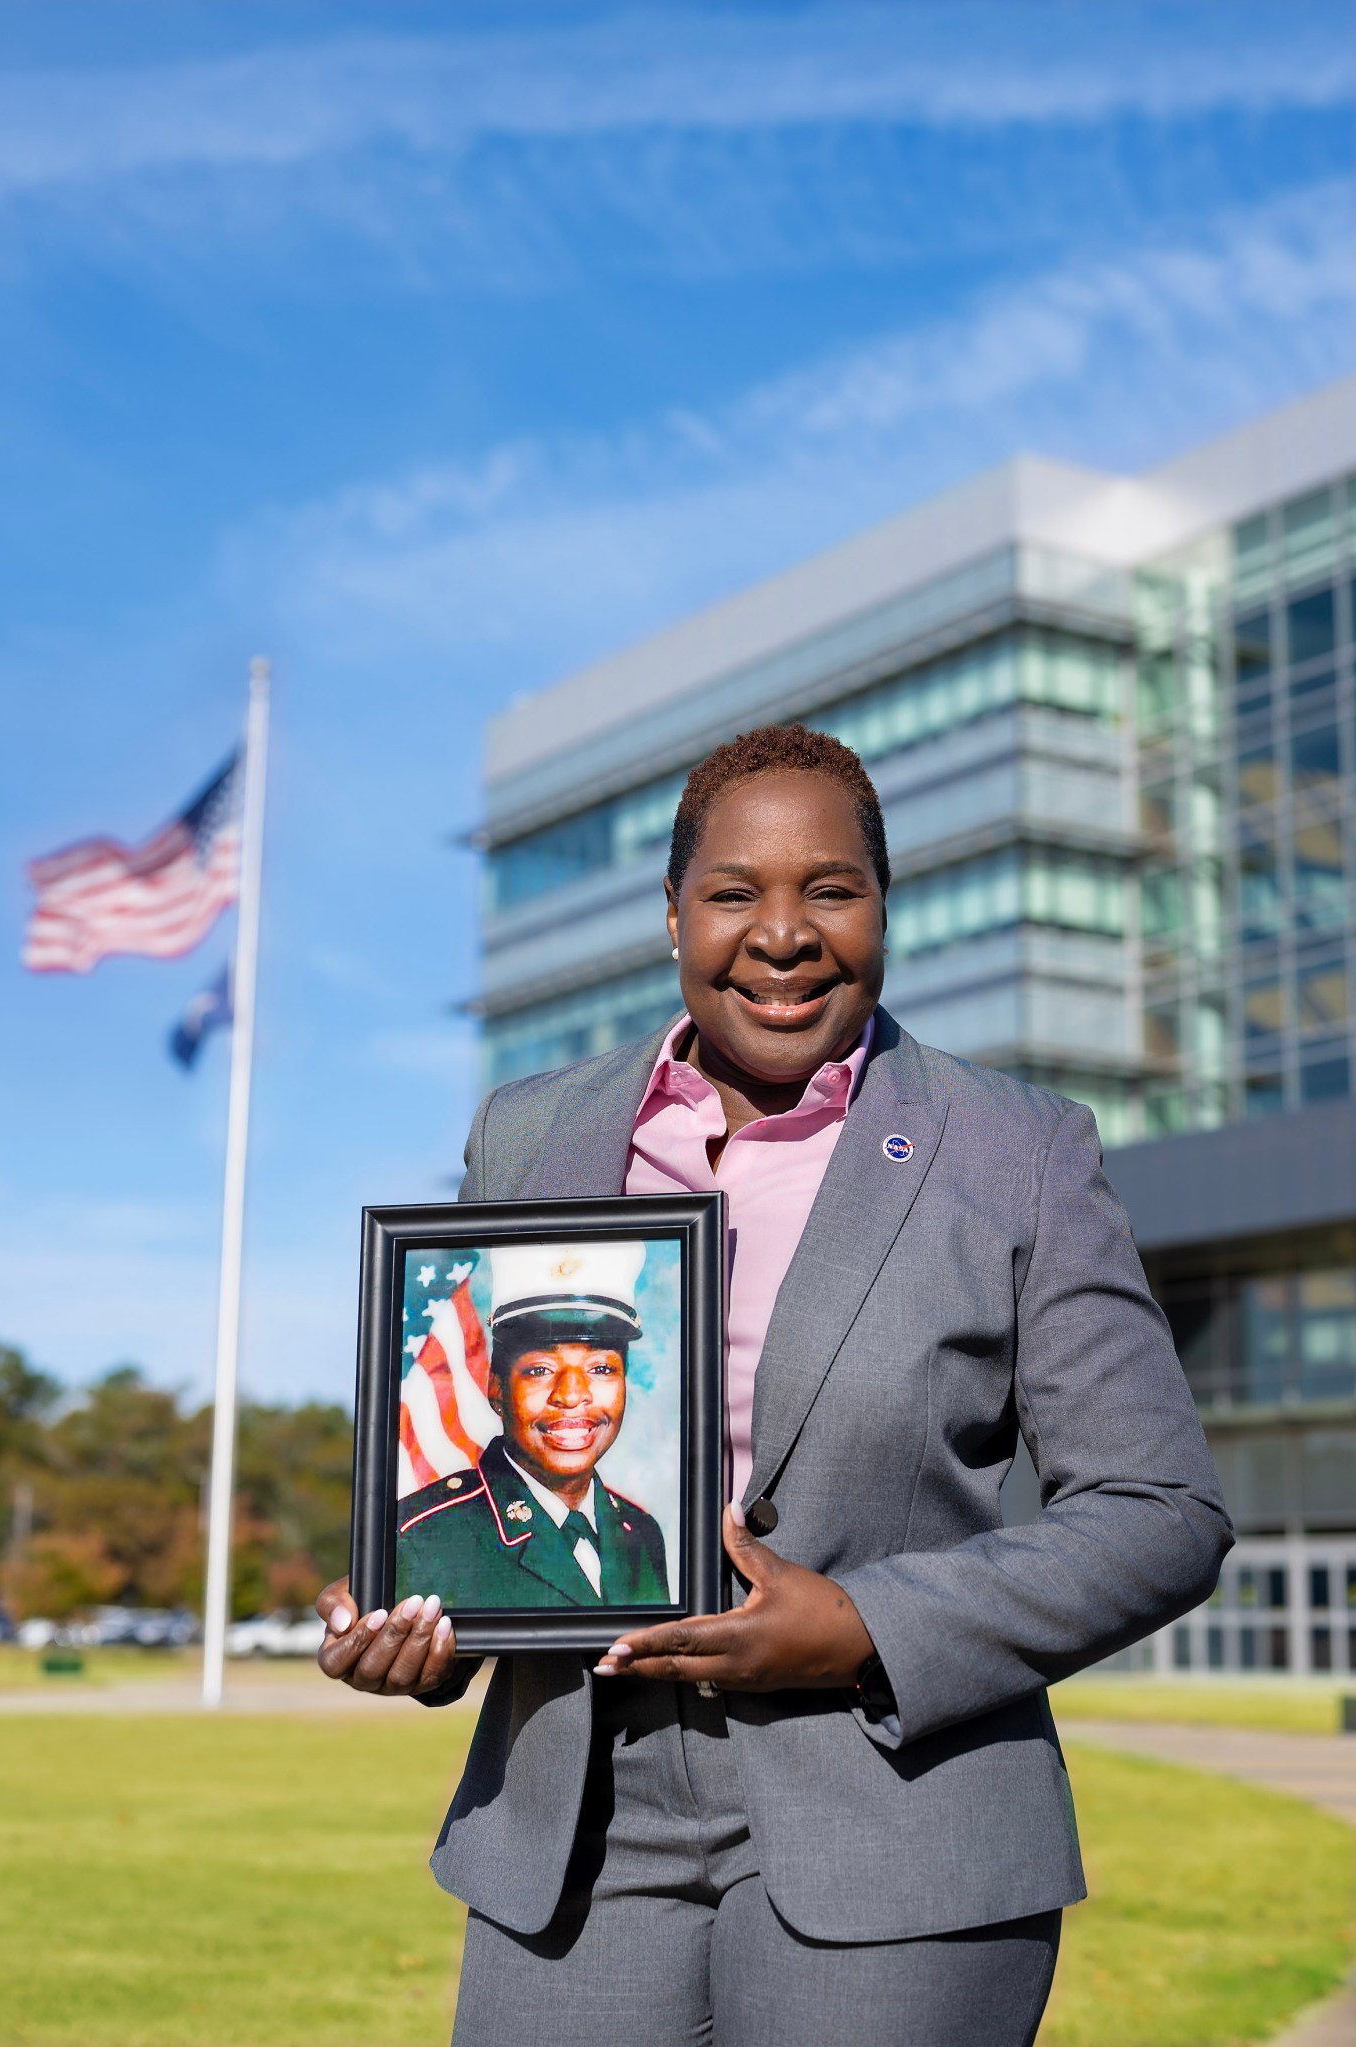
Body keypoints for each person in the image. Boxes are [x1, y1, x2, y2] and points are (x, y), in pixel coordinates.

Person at [318, 724, 1232, 2047]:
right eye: (735, 891)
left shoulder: (1015, 1148)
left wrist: (865, 1623)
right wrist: (427, 1627)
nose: (783, 932)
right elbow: (466, 1457)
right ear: (674, 913)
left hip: (895, 1814)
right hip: (577, 1831)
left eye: (832, 888)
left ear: (884, 903)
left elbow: (1159, 1508)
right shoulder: (531, 1131)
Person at [396, 1241, 670, 1610]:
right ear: (497, 1388)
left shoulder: (640, 1532)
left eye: (601, 1369)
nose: (572, 1395)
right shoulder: (424, 1538)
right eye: (540, 1369)